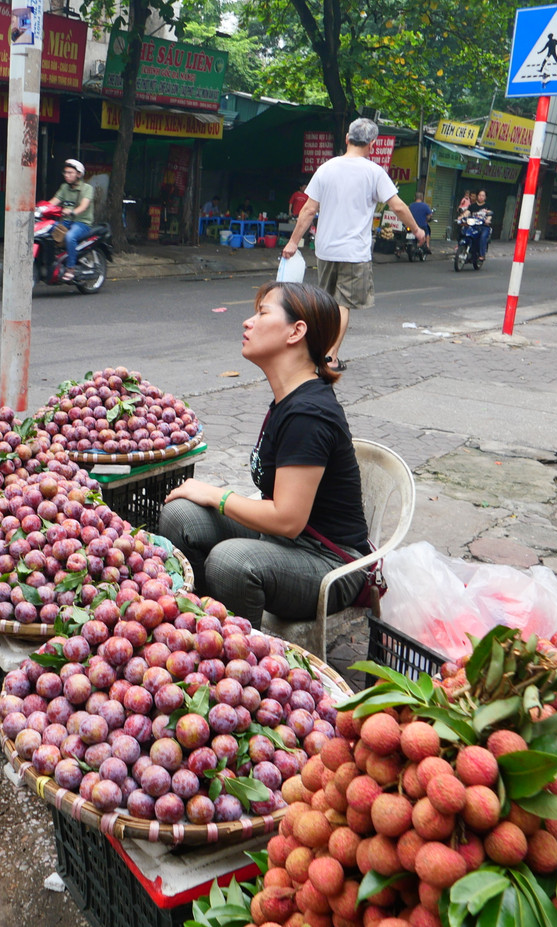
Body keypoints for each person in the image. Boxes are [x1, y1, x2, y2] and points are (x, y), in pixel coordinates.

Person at [158, 282, 370, 625]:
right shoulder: (288, 399)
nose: (247, 322)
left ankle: (234, 654)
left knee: (231, 562)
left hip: (331, 562)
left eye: (262, 313)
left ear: (295, 331)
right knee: (181, 515)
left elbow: (288, 520)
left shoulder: (308, 414)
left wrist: (217, 494)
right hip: (285, 542)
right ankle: (195, 621)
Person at [282, 118, 425, 372]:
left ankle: (315, 351)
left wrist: (293, 243)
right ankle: (331, 358)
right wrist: (416, 230)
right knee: (342, 304)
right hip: (354, 253)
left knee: (325, 302)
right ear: (372, 144)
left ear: (347, 138)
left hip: (325, 249)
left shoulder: (326, 168)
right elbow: (398, 206)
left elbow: (308, 210)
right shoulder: (374, 172)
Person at [46, 158, 94, 282]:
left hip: (82, 223)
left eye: (70, 173)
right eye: (65, 173)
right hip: (67, 221)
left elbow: (84, 206)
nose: (67, 175)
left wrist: (72, 211)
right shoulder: (64, 187)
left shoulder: (87, 188)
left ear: (79, 174)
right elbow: (52, 202)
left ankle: (70, 268)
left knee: (70, 237)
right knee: (47, 229)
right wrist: (40, 209)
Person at [466, 189, 493, 262]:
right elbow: (467, 212)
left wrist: (488, 219)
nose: (481, 197)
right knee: (464, 232)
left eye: (483, 196)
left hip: (484, 227)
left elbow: (490, 214)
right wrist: (461, 216)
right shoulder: (472, 206)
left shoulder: (487, 206)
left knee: (483, 236)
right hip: (473, 226)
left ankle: (482, 255)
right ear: (477, 196)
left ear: (485, 197)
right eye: (480, 195)